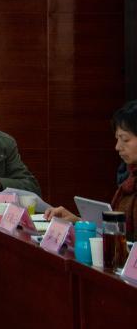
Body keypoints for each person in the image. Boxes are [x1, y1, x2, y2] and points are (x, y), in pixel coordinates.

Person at [45, 100, 137, 237]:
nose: (117, 147)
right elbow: (116, 234)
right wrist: (78, 222)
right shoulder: (129, 179)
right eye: (117, 139)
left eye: (125, 139)